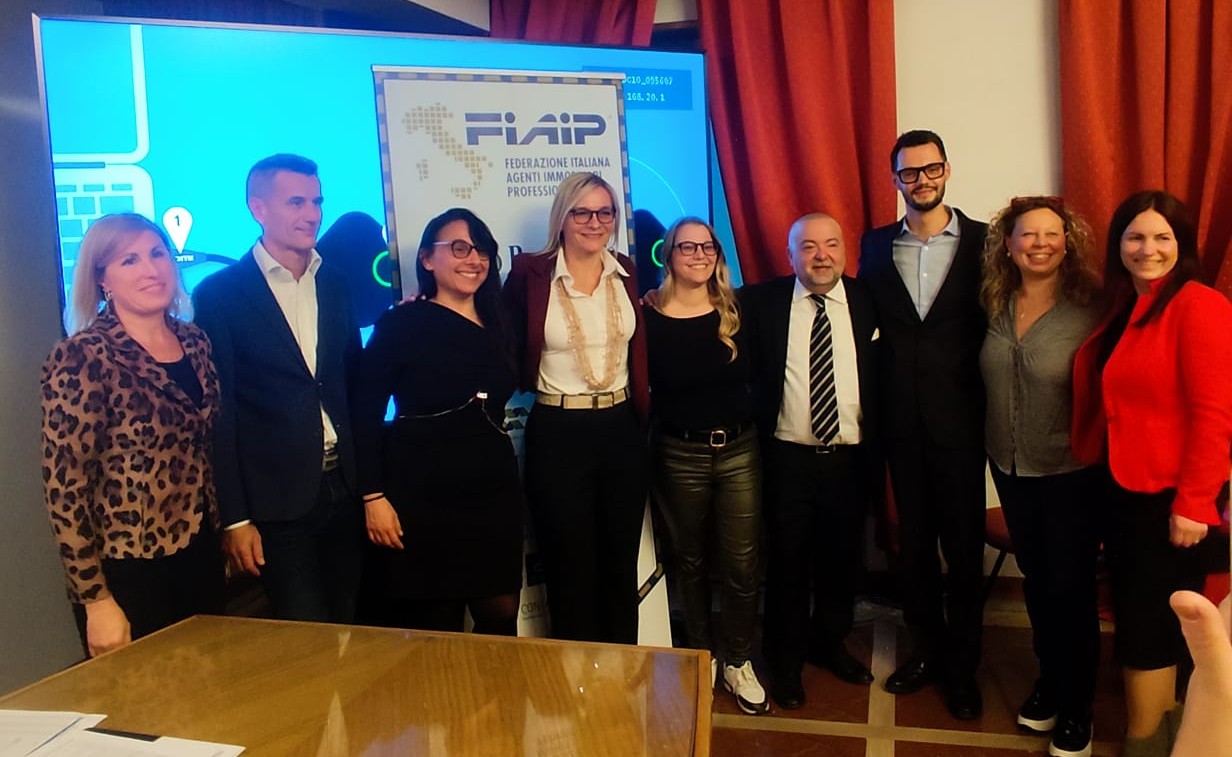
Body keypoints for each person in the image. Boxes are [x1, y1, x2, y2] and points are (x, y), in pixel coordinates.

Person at [1071, 190, 1232, 756]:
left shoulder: (1199, 305)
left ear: (1182, 244)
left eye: (1163, 237)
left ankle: (1145, 743)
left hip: (1170, 500)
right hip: (1125, 490)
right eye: (1135, 236)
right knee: (1140, 616)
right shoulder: (1128, 305)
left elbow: (1216, 414)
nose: (1148, 249)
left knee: (1150, 625)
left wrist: (1194, 503)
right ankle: (1159, 736)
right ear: (1118, 245)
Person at [41, 213, 225, 657]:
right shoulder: (83, 356)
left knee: (213, 687)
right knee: (143, 696)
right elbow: (65, 490)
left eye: (157, 254)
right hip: (128, 567)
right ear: (102, 279)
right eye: (130, 260)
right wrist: (95, 599)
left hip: (200, 550)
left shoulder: (195, 342)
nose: (151, 269)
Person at [192, 154, 364, 623]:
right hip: (276, 503)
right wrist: (235, 518)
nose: (312, 214)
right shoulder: (220, 295)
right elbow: (221, 412)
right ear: (258, 208)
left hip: (344, 488)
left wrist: (369, 488)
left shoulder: (335, 283)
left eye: (317, 202)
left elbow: (353, 383)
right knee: (306, 637)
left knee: (354, 629)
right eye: (296, 202)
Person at [858, 129, 989, 720]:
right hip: (900, 424)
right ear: (896, 180)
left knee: (963, 551)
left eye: (930, 169)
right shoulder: (875, 244)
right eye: (909, 172)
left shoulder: (986, 242)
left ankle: (963, 669)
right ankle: (926, 650)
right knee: (913, 549)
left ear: (947, 170)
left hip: (962, 422)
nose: (921, 180)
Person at [354, 208, 522, 635]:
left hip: (493, 493)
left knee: (500, 614)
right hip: (421, 496)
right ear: (427, 259)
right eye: (460, 248)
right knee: (435, 626)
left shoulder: (500, 321)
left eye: (481, 250)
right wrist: (373, 497)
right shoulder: (400, 324)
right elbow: (365, 415)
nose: (474, 260)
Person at [502, 171, 649, 644]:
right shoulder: (530, 273)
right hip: (558, 429)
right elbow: (495, 331)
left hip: (622, 428)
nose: (594, 222)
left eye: (605, 212)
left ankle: (624, 670)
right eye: (582, 212)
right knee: (569, 564)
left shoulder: (625, 270)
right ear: (562, 218)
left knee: (620, 562)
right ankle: (576, 675)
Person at [979, 196, 1103, 756]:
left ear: (1067, 242)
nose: (1040, 244)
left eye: (1052, 234)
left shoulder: (1092, 309)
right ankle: (1050, 682)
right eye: (1027, 235)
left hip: (1070, 472)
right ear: (1008, 245)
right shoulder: (994, 302)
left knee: (1070, 589)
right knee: (1037, 582)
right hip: (1010, 468)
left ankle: (1078, 708)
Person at [742, 213, 880, 710]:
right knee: (787, 563)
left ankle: (829, 643)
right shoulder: (760, 302)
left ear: (845, 251)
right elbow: (701, 307)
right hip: (786, 458)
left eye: (831, 245)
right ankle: (784, 660)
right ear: (790, 255)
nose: (821, 255)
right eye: (808, 246)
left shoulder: (869, 300)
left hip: (850, 458)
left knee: (842, 561)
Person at [644, 216, 767, 713]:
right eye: (687, 247)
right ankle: (702, 656)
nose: (699, 255)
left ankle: (738, 659)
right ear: (669, 254)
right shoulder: (647, 317)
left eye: (707, 246)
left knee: (741, 564)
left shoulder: (740, 309)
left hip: (739, 451)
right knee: (689, 561)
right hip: (678, 453)